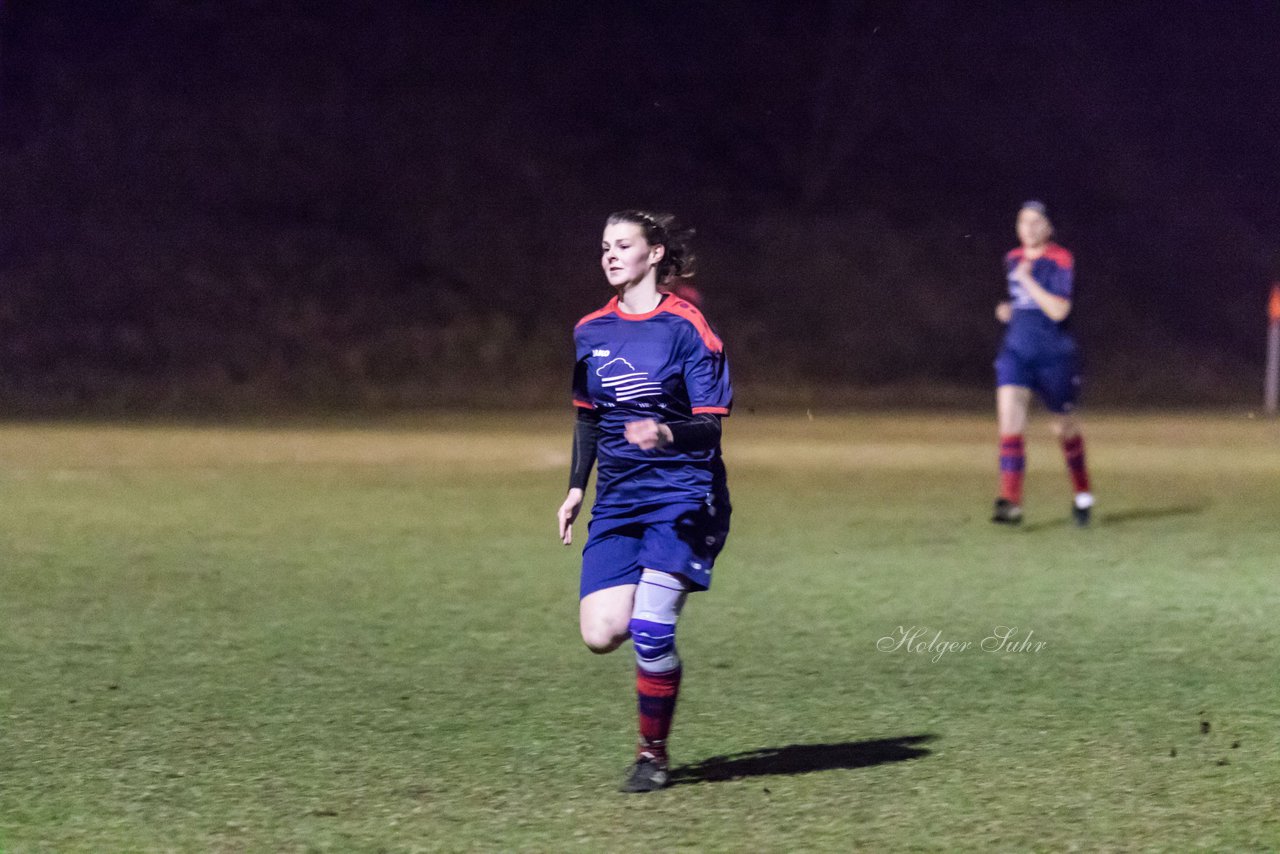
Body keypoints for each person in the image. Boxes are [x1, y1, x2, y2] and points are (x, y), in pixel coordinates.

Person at [556, 210, 732, 792]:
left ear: (654, 254)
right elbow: (587, 419)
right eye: (604, 245)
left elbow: (710, 428)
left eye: (622, 244)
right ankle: (655, 607)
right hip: (620, 499)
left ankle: (652, 757)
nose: (609, 255)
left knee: (652, 628)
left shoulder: (688, 328)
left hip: (685, 495)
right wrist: (577, 487)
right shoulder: (590, 330)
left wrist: (667, 432)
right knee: (602, 632)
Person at [992, 200, 1094, 526]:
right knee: (1009, 422)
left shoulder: (1060, 259)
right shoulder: (1012, 259)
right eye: (1024, 222)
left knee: (1064, 427)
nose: (1030, 228)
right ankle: (1011, 502)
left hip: (1054, 357)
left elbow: (1059, 311)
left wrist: (1028, 282)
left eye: (1037, 222)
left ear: (1048, 228)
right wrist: (1010, 312)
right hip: (1016, 353)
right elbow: (1026, 305)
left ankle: (1082, 493)